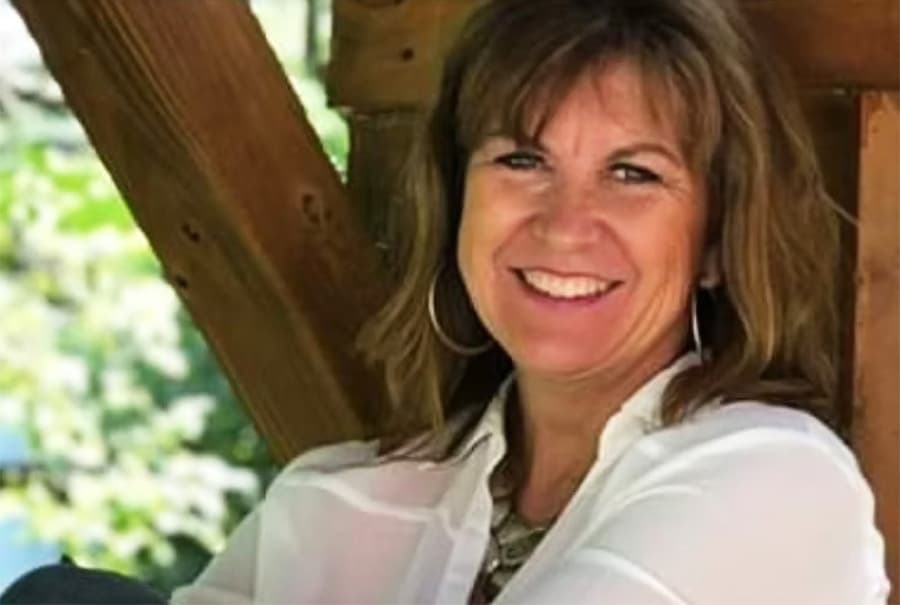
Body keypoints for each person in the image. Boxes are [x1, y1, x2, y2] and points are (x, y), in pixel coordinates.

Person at [166, 0, 890, 603]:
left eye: (633, 173)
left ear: (714, 243)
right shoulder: (328, 505)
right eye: (522, 160)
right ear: (457, 202)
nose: (565, 223)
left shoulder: (774, 480)